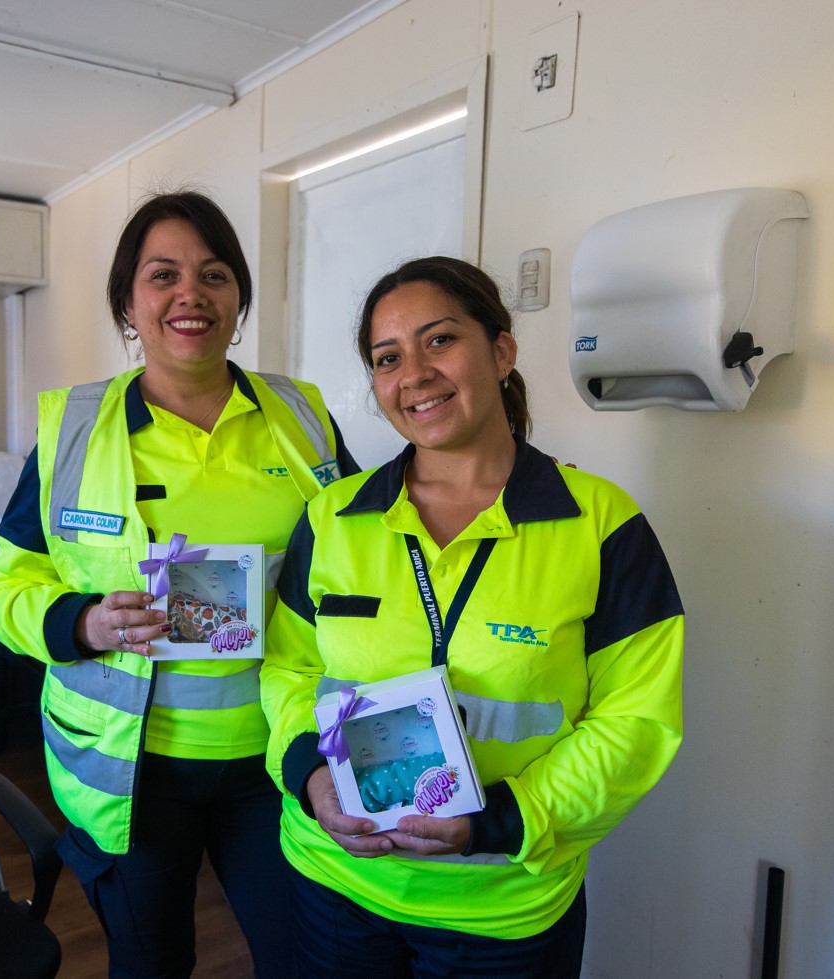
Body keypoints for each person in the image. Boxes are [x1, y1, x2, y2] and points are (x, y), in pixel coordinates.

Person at [261, 257, 685, 977]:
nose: (414, 374)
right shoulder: (333, 517)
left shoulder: (601, 524)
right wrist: (309, 775)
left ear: (502, 351)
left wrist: (500, 820)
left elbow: (637, 721)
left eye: (440, 340)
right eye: (388, 358)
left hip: (502, 907)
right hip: (337, 882)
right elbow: (290, 670)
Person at [0, 191, 359, 978]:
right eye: (164, 275)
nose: (192, 294)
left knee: (300, 957)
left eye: (214, 274)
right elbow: (7, 588)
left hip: (278, 755)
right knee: (152, 962)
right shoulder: (73, 429)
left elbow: (365, 551)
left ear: (238, 298)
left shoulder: (302, 415)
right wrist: (82, 622)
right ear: (128, 302)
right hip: (134, 770)